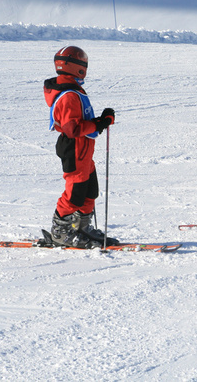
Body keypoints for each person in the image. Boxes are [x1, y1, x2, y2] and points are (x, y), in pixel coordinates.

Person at [43, 46, 117, 248]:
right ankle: (60, 232)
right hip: (74, 148)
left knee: (90, 190)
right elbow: (71, 128)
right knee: (74, 194)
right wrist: (100, 123)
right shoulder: (68, 95)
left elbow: (78, 121)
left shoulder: (72, 89)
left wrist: (100, 121)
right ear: (78, 68)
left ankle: (81, 226)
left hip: (83, 148)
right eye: (84, 66)